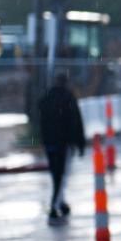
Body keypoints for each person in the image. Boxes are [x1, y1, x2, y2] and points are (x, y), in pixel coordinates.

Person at [39, 72, 86, 226]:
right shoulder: (68, 98)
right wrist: (80, 143)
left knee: (56, 174)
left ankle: (61, 202)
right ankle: (54, 204)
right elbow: (76, 122)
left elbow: (41, 120)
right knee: (61, 174)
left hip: (50, 143)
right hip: (63, 143)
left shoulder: (47, 98)